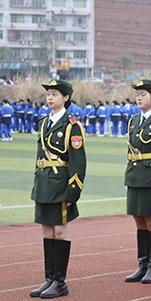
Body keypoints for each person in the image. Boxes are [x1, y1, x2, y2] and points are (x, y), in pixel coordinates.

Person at [29, 79, 86, 298]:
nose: (50, 97)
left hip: (61, 184)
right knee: (46, 230)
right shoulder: (44, 122)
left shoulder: (72, 125)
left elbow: (78, 162)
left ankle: (60, 282)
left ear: (66, 98)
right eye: (48, 94)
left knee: (60, 231)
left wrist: (74, 191)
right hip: (44, 182)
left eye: (55, 94)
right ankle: (49, 279)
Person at [124, 80, 151, 285]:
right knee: (139, 220)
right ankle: (142, 264)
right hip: (135, 175)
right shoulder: (133, 120)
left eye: (143, 94)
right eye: (137, 94)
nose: (138, 98)